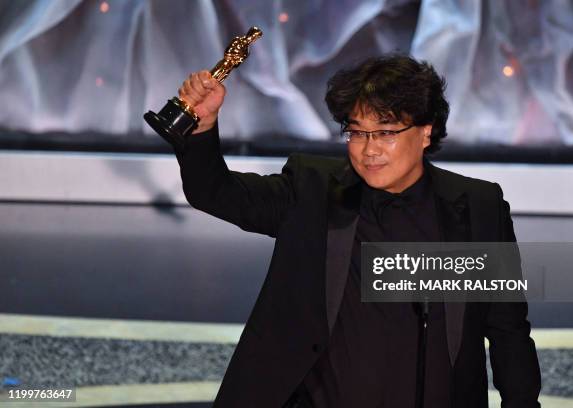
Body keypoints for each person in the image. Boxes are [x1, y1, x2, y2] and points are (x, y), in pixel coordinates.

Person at [171, 54, 541, 408]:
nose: (369, 150)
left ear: (426, 132)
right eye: (357, 133)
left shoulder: (477, 206)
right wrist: (201, 126)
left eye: (385, 132)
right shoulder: (311, 190)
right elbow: (215, 193)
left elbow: (508, 331)